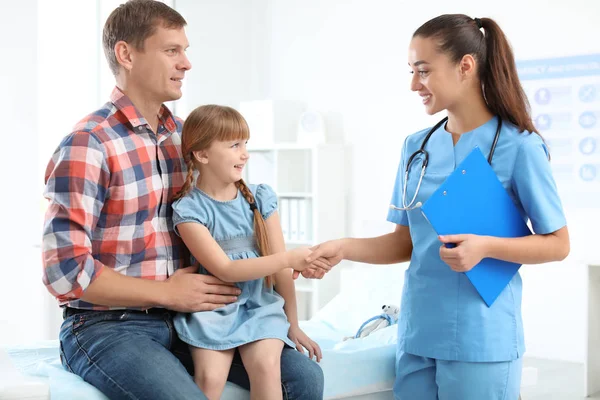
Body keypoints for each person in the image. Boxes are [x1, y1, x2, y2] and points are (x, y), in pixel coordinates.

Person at [42, 1, 324, 399]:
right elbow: (64, 271)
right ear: (127, 54)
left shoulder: (187, 140)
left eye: (185, 50)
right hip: (109, 325)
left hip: (192, 315)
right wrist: (166, 293)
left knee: (304, 379)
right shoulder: (89, 144)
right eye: (172, 50)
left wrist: (277, 264)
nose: (187, 63)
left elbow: (232, 213)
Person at [306, 14, 570, 400]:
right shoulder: (417, 148)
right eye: (412, 72)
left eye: (423, 71)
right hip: (417, 336)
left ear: (465, 66)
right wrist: (343, 247)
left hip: (482, 340)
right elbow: (405, 243)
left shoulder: (520, 147)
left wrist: (486, 247)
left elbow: (558, 243)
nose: (414, 84)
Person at [171, 104, 326, 400]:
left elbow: (281, 272)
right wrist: (289, 258)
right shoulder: (189, 209)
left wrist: (293, 325)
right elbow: (225, 270)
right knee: (210, 379)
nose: (245, 153)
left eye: (245, 144)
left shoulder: (260, 198)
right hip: (214, 308)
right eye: (234, 145)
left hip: (260, 306)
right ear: (202, 155)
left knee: (267, 367)